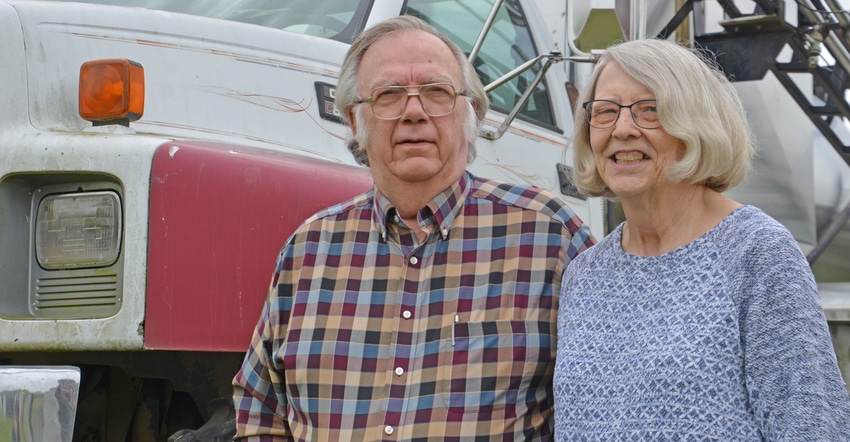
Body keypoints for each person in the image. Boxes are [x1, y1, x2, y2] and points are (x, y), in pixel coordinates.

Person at [232, 15, 596, 441]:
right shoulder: (307, 251)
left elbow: (609, 399)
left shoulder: (548, 237)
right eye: (388, 95)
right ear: (354, 121)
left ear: (471, 113)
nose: (414, 112)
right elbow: (261, 411)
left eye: (437, 92)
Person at [553, 38, 850, 440]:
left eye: (650, 110)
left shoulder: (754, 252)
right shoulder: (584, 274)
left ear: (696, 126)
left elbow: (813, 428)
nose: (623, 129)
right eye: (605, 112)